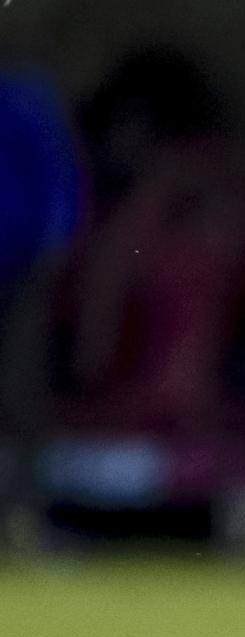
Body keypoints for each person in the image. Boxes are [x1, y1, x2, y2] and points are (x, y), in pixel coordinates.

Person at [0, 61, 80, 555]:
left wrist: (52, 248)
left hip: (22, 273)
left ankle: (24, 517)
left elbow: (60, 183)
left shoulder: (24, 100)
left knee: (21, 393)